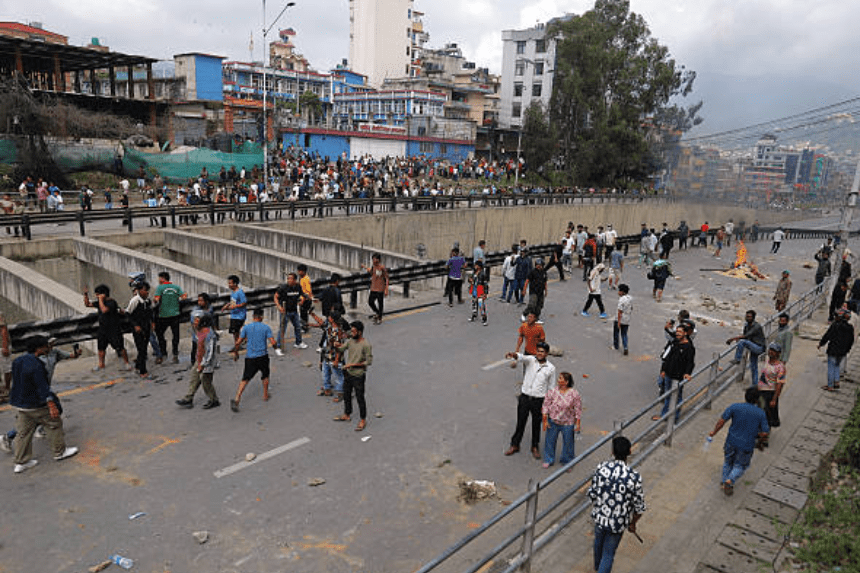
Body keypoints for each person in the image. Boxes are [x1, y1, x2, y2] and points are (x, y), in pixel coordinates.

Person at [8, 336, 79, 473]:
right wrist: (51, 405)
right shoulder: (37, 365)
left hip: (20, 404)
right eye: (46, 346)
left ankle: (21, 462)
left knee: (23, 433)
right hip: (36, 403)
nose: (48, 348)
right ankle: (59, 452)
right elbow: (42, 387)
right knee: (54, 424)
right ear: (39, 348)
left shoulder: (18, 361)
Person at [587, 436, 646, 573]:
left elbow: (592, 494)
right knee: (608, 554)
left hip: (600, 520)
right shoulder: (634, 477)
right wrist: (632, 523)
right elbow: (639, 507)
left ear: (612, 452)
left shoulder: (602, 468)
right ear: (629, 452)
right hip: (618, 524)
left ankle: (598, 568)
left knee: (598, 547)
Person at [708, 387, 769, 495]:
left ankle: (723, 481)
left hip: (730, 441)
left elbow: (722, 421)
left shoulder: (735, 407)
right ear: (757, 400)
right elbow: (765, 433)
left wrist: (714, 432)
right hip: (746, 445)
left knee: (728, 462)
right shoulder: (760, 413)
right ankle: (730, 480)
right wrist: (758, 438)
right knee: (740, 466)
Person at [504, 342, 556, 459]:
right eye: (538, 351)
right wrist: (513, 354)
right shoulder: (531, 360)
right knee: (520, 422)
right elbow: (521, 357)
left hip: (539, 401)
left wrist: (549, 405)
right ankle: (515, 445)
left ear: (547, 353)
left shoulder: (551, 368)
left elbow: (551, 388)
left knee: (536, 424)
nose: (539, 353)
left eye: (542, 351)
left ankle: (534, 447)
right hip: (524, 398)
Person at [230, 309, 275, 412]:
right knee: (265, 375)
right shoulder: (266, 327)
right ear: (261, 317)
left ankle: (237, 398)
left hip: (250, 357)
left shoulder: (246, 328)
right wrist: (276, 347)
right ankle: (265, 395)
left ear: (253, 316)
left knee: (245, 378)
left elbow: (238, 343)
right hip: (263, 356)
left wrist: (236, 353)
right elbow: (273, 341)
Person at [333, 321, 373, 432]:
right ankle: (347, 414)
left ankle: (363, 419)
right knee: (346, 395)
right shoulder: (350, 341)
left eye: (354, 331)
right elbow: (341, 349)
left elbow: (368, 362)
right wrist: (337, 346)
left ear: (359, 332)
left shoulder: (366, 345)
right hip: (348, 373)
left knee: (360, 398)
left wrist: (353, 364)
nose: (351, 332)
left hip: (358, 376)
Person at [83, 284, 132, 372]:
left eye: (98, 294)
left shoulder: (111, 302)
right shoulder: (99, 302)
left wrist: (101, 300)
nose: (96, 296)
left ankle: (127, 363)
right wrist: (85, 295)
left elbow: (104, 310)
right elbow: (87, 304)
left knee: (120, 347)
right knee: (101, 349)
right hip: (103, 329)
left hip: (114, 329)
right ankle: (101, 364)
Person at [175, 314, 220, 409]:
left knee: (206, 382)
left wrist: (203, 364)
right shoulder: (199, 332)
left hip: (207, 362)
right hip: (199, 360)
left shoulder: (209, 335)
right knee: (194, 378)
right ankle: (188, 399)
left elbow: (209, 352)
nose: (194, 323)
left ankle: (214, 400)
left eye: (196, 321)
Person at [653, 323, 695, 422]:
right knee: (667, 395)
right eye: (677, 331)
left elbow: (690, 363)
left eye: (680, 332)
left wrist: (687, 373)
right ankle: (664, 416)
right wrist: (663, 370)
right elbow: (668, 357)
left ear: (685, 333)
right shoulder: (675, 342)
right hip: (668, 374)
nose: (677, 334)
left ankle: (674, 418)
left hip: (678, 377)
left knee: (677, 398)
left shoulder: (689, 347)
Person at [541, 372, 582, 468]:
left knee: (568, 443)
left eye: (560, 378)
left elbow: (578, 409)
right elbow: (545, 405)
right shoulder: (552, 392)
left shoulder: (574, 394)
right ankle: (548, 459)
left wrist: (578, 424)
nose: (558, 380)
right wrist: (545, 420)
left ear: (566, 382)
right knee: (550, 441)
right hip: (553, 421)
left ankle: (567, 462)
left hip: (568, 423)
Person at [154, 272, 187, 364]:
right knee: (175, 335)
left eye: (159, 278)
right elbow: (184, 297)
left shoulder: (160, 288)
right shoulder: (176, 287)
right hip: (175, 315)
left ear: (163, 278)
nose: (158, 280)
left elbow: (156, 299)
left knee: (160, 334)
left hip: (163, 316)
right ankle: (175, 354)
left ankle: (164, 353)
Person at [818, 308, 854, 391]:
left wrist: (821, 343)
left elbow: (828, 335)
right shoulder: (850, 328)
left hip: (833, 350)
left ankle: (830, 385)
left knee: (831, 367)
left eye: (836, 316)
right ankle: (836, 381)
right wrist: (847, 350)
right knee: (837, 365)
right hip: (842, 352)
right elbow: (851, 340)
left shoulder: (835, 325)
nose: (835, 317)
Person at [727, 310, 766, 384]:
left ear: (753, 318)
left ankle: (737, 359)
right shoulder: (747, 326)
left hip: (759, 348)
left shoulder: (756, 326)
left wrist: (732, 339)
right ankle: (755, 385)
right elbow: (745, 336)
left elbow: (746, 336)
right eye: (746, 316)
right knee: (753, 367)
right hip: (753, 346)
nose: (747, 318)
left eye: (749, 317)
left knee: (742, 342)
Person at [125, 280, 154, 378]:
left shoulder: (147, 301)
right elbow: (128, 313)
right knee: (141, 350)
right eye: (145, 290)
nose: (147, 292)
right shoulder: (135, 301)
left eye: (147, 290)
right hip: (138, 329)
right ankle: (143, 371)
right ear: (139, 291)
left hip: (146, 327)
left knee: (144, 348)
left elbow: (150, 312)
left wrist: (152, 322)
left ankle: (138, 366)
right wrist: (135, 325)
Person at [757, 342, 785, 440]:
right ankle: (759, 432)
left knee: (767, 416)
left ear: (778, 353)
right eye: (770, 350)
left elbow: (780, 384)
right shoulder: (767, 362)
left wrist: (774, 399)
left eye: (774, 351)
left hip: (770, 393)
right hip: (761, 391)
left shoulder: (780, 367)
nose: (771, 352)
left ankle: (764, 437)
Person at [274, 272, 306, 355]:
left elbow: (302, 294)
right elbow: (276, 297)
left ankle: (298, 343)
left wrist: (303, 299)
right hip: (285, 311)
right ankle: (278, 347)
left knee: (298, 327)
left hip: (294, 311)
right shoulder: (283, 288)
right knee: (282, 329)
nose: (288, 280)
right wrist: (279, 306)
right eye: (288, 278)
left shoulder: (298, 287)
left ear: (295, 280)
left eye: (290, 279)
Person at [222, 275, 248, 358]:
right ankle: (237, 345)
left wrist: (235, 306)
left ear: (235, 284)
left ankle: (241, 342)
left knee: (236, 331)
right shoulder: (232, 292)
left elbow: (244, 303)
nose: (229, 285)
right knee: (234, 332)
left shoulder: (240, 292)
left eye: (230, 283)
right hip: (234, 315)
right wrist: (227, 305)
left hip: (239, 315)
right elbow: (233, 302)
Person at [361, 254, 389, 324]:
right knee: (370, 302)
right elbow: (371, 272)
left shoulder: (382, 268)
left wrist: (386, 289)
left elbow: (387, 278)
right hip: (373, 288)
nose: (374, 261)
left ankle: (380, 317)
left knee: (380, 303)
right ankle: (378, 313)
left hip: (380, 288)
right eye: (373, 259)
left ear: (379, 260)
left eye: (375, 259)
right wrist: (364, 267)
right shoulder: (373, 267)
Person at [522, 257, 548, 322]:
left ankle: (536, 318)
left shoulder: (544, 272)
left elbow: (545, 282)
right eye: (537, 265)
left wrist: (546, 291)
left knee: (540, 305)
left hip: (541, 292)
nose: (538, 266)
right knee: (532, 304)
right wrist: (524, 290)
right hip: (533, 291)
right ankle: (524, 314)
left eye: (540, 265)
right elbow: (527, 281)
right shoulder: (532, 272)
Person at [613, 284, 632, 355]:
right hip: (627, 319)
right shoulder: (630, 298)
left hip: (620, 319)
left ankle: (616, 346)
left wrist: (618, 322)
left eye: (619, 291)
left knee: (616, 333)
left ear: (622, 292)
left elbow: (619, 312)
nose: (618, 292)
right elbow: (631, 308)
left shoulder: (621, 300)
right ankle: (625, 347)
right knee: (624, 334)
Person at [468, 261, 489, 325]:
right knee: (474, 304)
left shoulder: (483, 274)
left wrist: (485, 293)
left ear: (479, 266)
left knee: (481, 305)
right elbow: (470, 279)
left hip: (480, 291)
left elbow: (485, 284)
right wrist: (470, 280)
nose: (475, 266)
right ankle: (474, 316)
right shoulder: (474, 272)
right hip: (474, 290)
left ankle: (484, 319)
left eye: (476, 265)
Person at [297, 264, 314, 331]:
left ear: (303, 271)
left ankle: (305, 327)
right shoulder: (302, 278)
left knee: (303, 314)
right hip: (304, 298)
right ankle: (304, 326)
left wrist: (303, 300)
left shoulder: (306, 279)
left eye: (300, 271)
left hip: (306, 299)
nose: (298, 272)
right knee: (303, 314)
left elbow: (307, 291)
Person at [0, 312, 10, 402]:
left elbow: (3, 330)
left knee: (6, 369)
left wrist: (5, 346)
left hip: (1, 347)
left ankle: (6, 390)